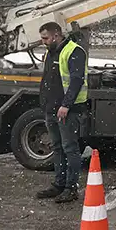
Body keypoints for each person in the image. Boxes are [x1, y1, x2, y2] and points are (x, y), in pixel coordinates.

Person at [35, 22, 89, 204]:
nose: (43, 42)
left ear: (56, 35)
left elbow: (76, 80)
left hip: (67, 109)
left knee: (70, 148)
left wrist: (66, 105)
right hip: (51, 108)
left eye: (45, 38)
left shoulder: (74, 51)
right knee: (57, 148)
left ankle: (71, 187)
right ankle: (59, 184)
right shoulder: (51, 52)